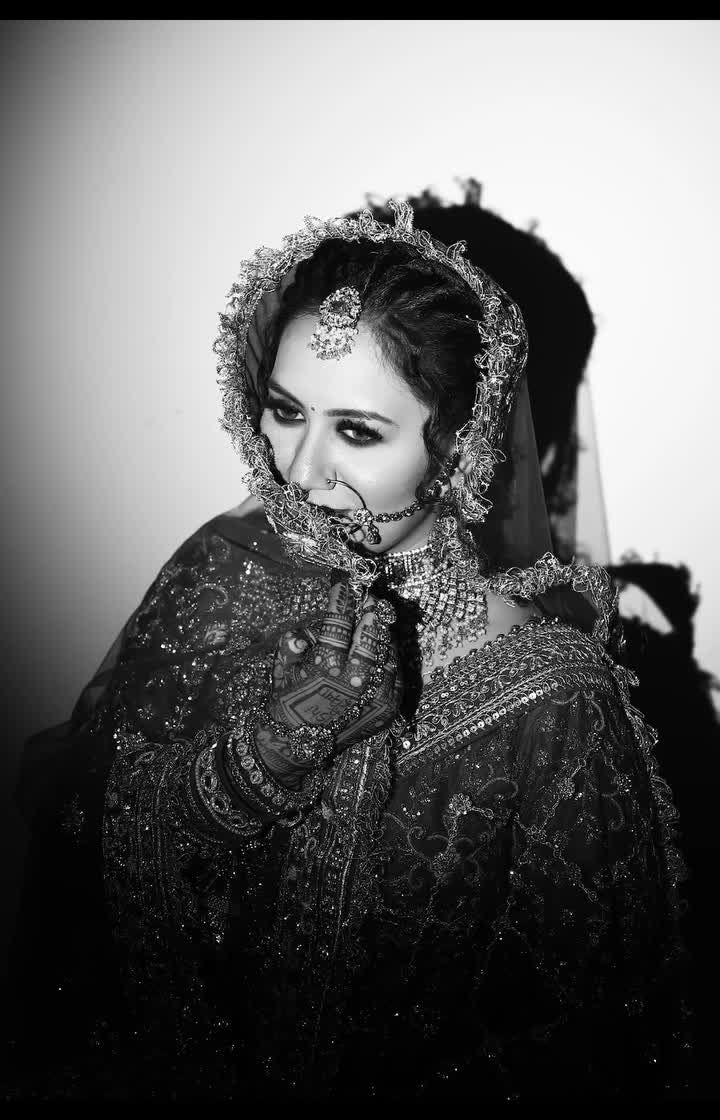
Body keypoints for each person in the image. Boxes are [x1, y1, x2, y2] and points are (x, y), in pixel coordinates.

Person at [5, 203, 691, 1099]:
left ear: (460, 447)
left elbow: (603, 1026)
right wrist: (255, 767)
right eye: (285, 412)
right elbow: (73, 831)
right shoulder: (226, 576)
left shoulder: (551, 695)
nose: (298, 470)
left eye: (358, 431)